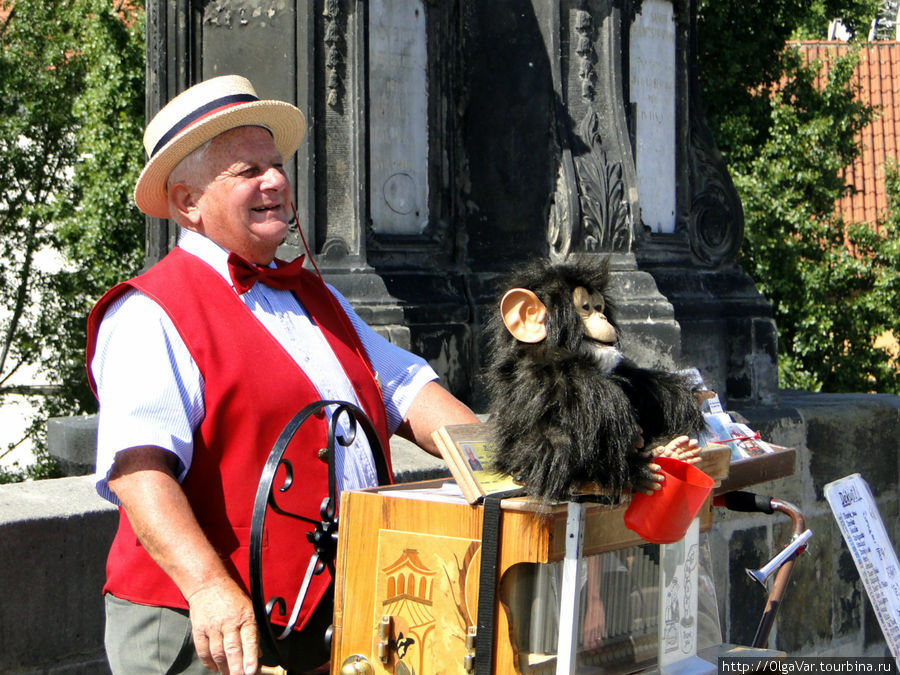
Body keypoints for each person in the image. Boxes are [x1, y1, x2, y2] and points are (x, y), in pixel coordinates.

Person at [87, 74, 480, 675]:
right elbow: (139, 473)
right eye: (247, 171)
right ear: (189, 203)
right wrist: (208, 589)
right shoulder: (149, 312)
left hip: (320, 615)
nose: (274, 181)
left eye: (274, 165)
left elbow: (409, 392)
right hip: (202, 629)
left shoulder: (315, 297)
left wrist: (509, 467)